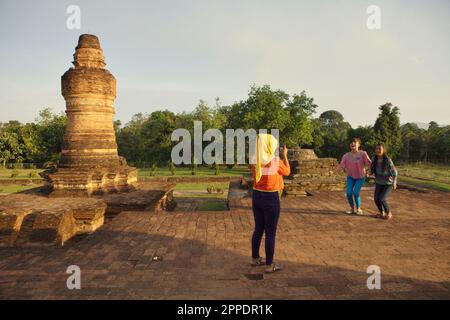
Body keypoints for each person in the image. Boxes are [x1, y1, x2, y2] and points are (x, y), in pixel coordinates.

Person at [250, 133, 290, 273]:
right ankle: (269, 265)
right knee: (270, 233)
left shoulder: (254, 160)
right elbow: (287, 172)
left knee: (258, 229)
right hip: (271, 197)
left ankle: (255, 258)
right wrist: (284, 155)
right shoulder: (275, 161)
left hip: (256, 196)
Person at [337, 138, 372, 215]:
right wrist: (338, 169)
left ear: (358, 145)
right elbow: (342, 165)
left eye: (354, 142)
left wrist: (369, 171)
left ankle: (358, 208)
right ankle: (352, 208)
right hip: (350, 177)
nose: (352, 144)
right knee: (349, 193)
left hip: (360, 177)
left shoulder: (363, 154)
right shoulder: (346, 155)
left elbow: (369, 163)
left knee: (356, 193)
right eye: (351, 143)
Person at [370, 143, 398, 220]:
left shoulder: (388, 160)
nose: (378, 150)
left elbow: (394, 172)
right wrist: (368, 173)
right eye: (376, 149)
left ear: (383, 150)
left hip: (388, 183)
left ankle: (388, 212)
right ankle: (381, 212)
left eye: (379, 149)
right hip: (379, 182)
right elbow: (372, 169)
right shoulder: (374, 159)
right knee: (376, 198)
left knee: (381, 198)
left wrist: (394, 182)